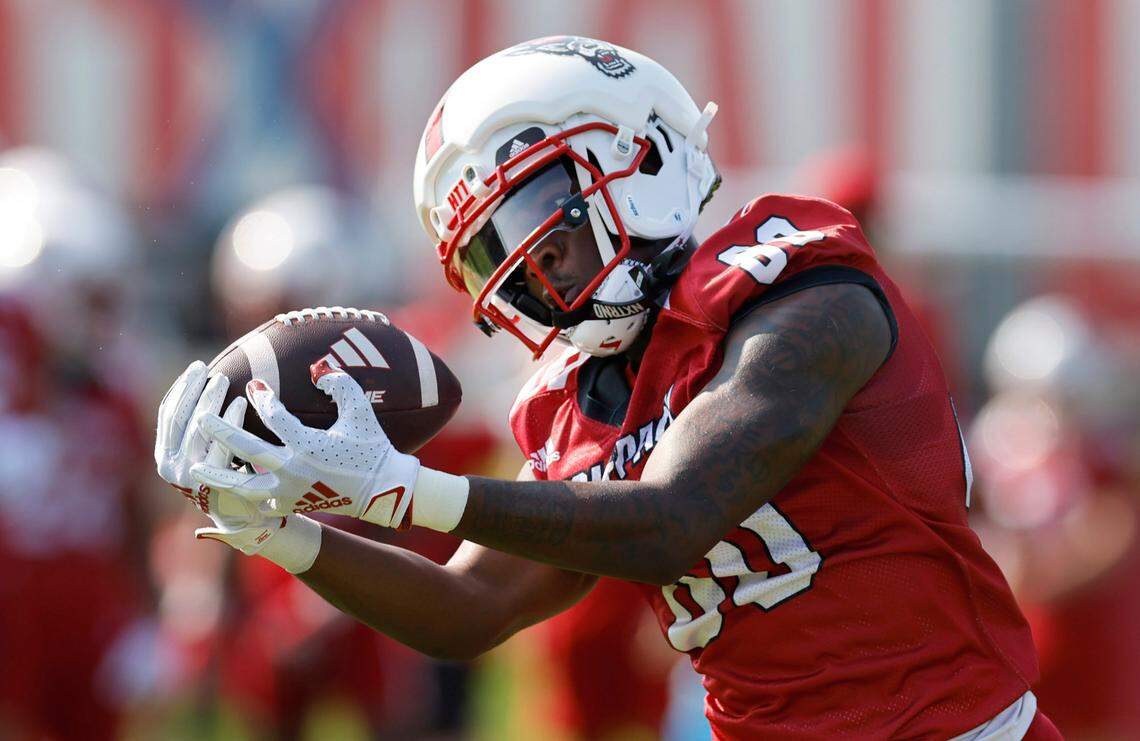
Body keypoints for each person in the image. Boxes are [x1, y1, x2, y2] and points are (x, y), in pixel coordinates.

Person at [156, 37, 1058, 738]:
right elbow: (472, 605)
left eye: (545, 234)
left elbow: (674, 516)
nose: (533, 280)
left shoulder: (801, 292)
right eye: (502, 264)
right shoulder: (585, 400)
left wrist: (401, 493)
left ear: (641, 160)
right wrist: (282, 532)